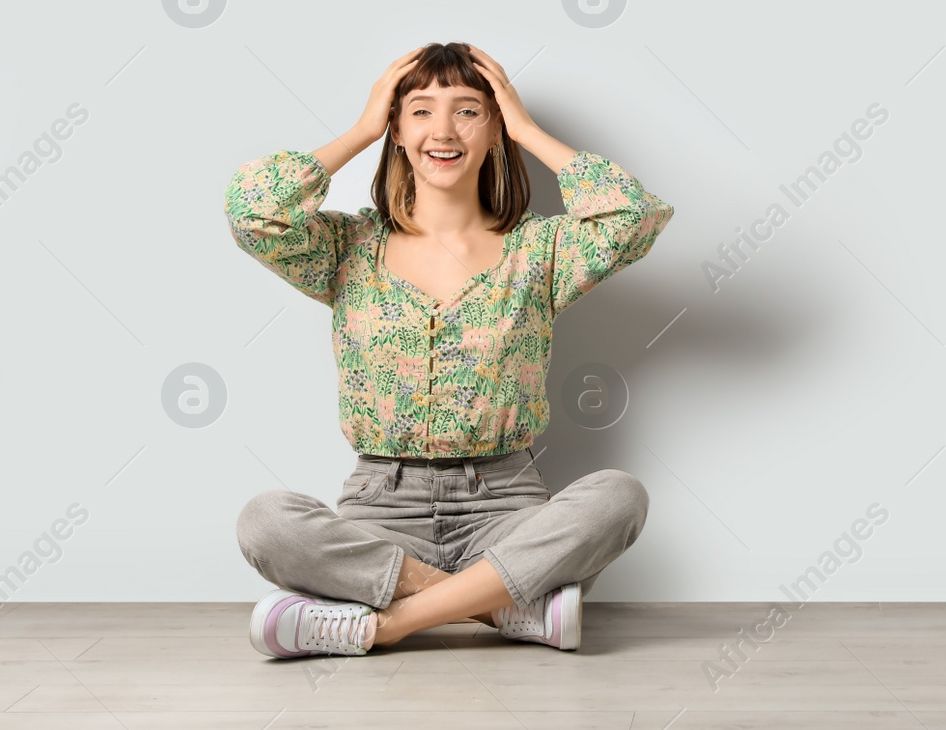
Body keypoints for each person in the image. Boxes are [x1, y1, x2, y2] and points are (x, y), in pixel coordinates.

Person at [226, 42, 675, 659]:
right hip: (379, 513)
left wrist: (526, 129)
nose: (443, 129)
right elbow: (253, 211)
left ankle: (383, 623)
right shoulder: (345, 247)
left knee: (619, 497)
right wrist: (361, 130)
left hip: (507, 509)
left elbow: (635, 217)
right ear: (396, 129)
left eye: (468, 110)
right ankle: (502, 608)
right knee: (265, 520)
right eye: (419, 111)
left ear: (493, 129)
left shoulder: (539, 252)